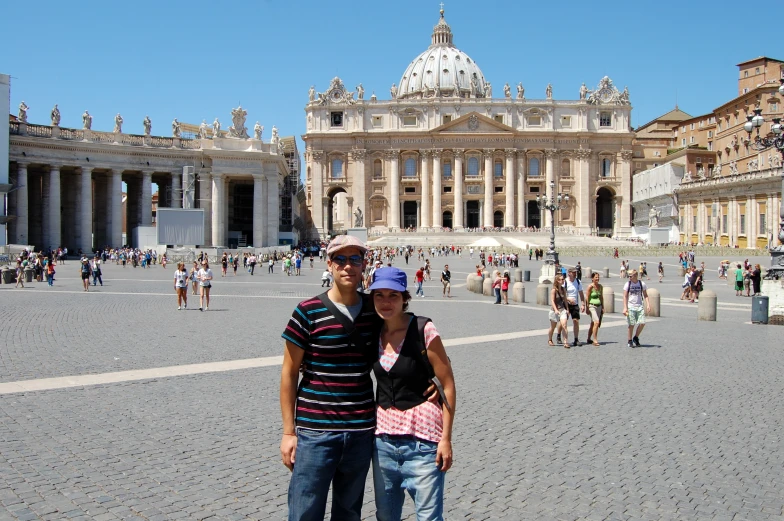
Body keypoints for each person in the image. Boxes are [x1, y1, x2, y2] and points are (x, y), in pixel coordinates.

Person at [279, 235, 379, 521]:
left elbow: (402, 351)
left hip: (361, 430)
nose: (348, 266)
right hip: (315, 432)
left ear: (364, 265)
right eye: (341, 259)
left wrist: (429, 384)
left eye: (355, 259)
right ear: (330, 265)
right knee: (305, 510)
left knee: (349, 512)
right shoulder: (307, 311)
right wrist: (289, 432)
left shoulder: (376, 311)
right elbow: (288, 373)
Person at [368, 267, 456, 521]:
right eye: (379, 295)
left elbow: (448, 382)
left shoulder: (423, 329)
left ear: (405, 298)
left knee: (428, 517)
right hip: (383, 442)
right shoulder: (372, 332)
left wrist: (446, 439)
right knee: (386, 516)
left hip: (424, 443)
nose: (386, 302)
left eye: (393, 296)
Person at [623, 270, 651, 348]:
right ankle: (629, 340)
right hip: (631, 306)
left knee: (642, 323)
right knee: (631, 324)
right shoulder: (627, 284)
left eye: (630, 276)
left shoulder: (642, 284)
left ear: (635, 276)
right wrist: (625, 307)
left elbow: (645, 295)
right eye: (629, 276)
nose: (629, 277)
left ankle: (635, 337)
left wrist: (648, 305)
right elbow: (625, 296)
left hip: (639, 306)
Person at [564, 268, 585, 346]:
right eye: (573, 272)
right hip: (566, 304)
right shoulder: (565, 282)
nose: (575, 274)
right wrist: (568, 299)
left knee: (576, 321)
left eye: (576, 272)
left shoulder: (578, 282)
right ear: (569, 273)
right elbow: (562, 295)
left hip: (575, 304)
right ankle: (559, 335)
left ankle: (576, 339)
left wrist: (583, 304)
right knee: (563, 321)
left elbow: (581, 294)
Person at [549, 274, 570, 348]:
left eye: (563, 279)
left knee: (564, 325)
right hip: (554, 310)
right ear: (557, 281)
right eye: (561, 279)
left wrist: (567, 309)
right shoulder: (554, 290)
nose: (562, 281)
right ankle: (550, 339)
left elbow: (565, 300)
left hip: (562, 309)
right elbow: (552, 300)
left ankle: (566, 342)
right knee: (553, 327)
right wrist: (555, 310)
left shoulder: (563, 289)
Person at [584, 272, 603, 346]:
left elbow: (601, 297)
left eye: (598, 277)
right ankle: (595, 339)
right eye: (596, 277)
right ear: (592, 278)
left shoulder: (600, 286)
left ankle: (588, 338)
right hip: (592, 306)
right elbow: (587, 298)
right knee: (597, 322)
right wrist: (587, 307)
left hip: (599, 306)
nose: (597, 279)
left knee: (593, 323)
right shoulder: (590, 287)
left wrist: (603, 306)